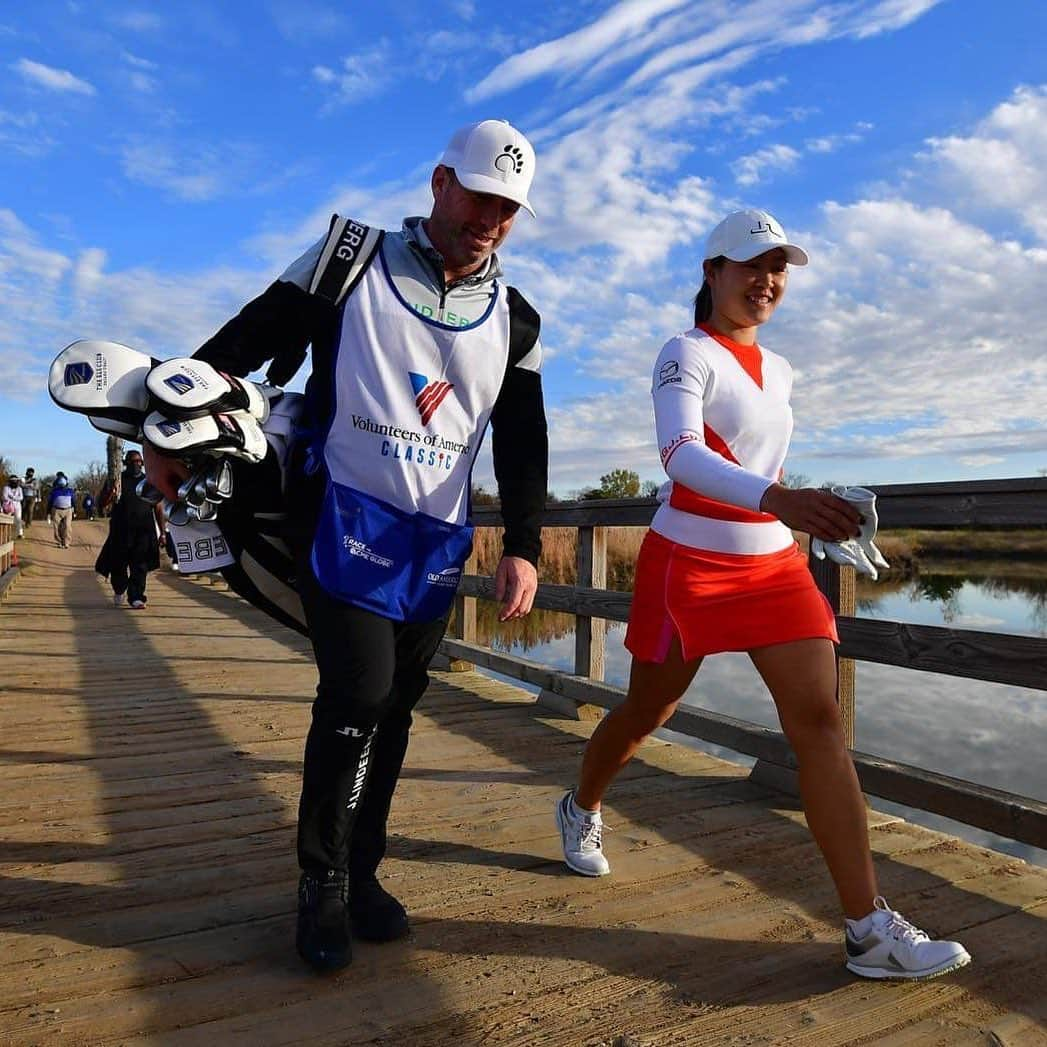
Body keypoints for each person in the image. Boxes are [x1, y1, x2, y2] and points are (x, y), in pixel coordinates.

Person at [145, 119, 548, 972]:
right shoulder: (347, 258)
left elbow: (521, 435)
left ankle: (363, 874)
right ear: (440, 183)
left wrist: (523, 543)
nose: (491, 217)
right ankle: (320, 885)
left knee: (396, 704)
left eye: (508, 207)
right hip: (339, 514)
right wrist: (168, 431)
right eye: (480, 195)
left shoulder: (516, 315)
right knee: (357, 692)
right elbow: (241, 343)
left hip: (432, 541)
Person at [555, 209, 971, 982]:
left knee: (818, 724)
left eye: (777, 268)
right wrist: (778, 499)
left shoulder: (779, 370)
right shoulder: (684, 352)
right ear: (711, 271)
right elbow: (679, 455)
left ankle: (865, 928)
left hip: (773, 564)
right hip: (690, 561)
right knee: (650, 708)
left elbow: (758, 463)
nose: (765, 280)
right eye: (750, 264)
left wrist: (817, 514)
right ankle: (582, 805)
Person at [96, 451, 164, 608]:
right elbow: (102, 504)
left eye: (140, 461)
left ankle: (136, 597)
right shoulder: (117, 480)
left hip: (143, 530)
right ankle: (119, 589)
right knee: (118, 565)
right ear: (126, 463)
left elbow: (158, 507)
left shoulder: (149, 481)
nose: (137, 464)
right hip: (121, 530)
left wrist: (163, 531)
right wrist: (110, 493)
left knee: (140, 565)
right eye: (133, 462)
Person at [48, 473, 77, 548]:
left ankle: (66, 542)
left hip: (68, 510)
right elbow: (50, 502)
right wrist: (48, 512)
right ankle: (60, 542)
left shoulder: (70, 491)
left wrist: (75, 510)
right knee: (57, 527)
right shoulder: (54, 491)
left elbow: (73, 501)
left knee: (67, 526)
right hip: (56, 510)